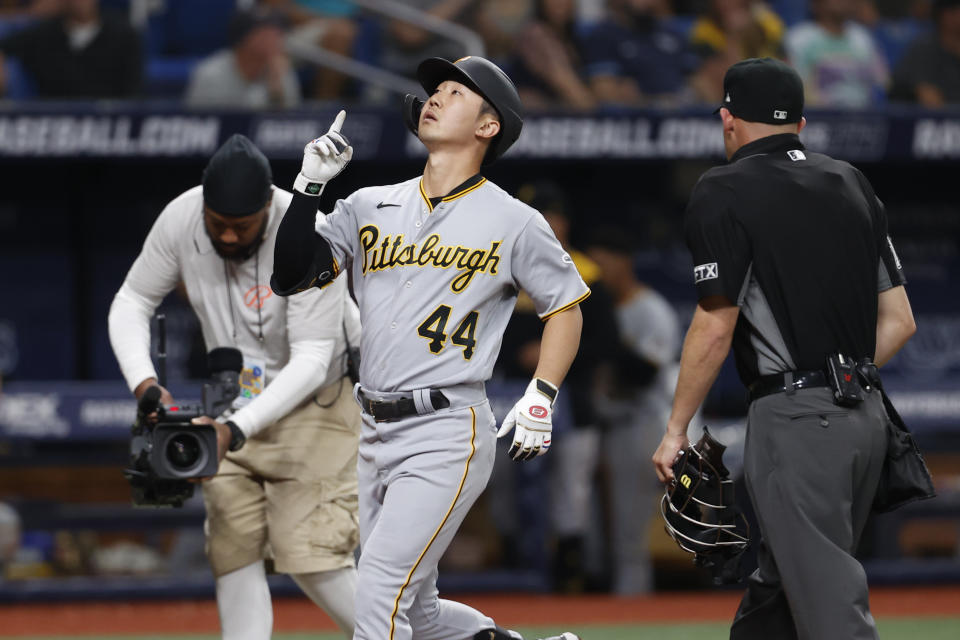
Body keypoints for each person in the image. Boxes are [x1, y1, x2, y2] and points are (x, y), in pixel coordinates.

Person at [271, 56, 584, 640]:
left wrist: (542, 392)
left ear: (488, 127)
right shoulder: (369, 203)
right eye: (434, 90)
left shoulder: (514, 220)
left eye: (454, 92)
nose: (434, 97)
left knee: (380, 587)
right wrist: (308, 186)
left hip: (446, 427)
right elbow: (289, 274)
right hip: (373, 427)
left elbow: (565, 307)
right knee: (417, 612)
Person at [652, 58, 916, 639]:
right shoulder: (850, 180)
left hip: (798, 418)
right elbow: (900, 322)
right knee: (778, 594)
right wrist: (843, 374)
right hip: (866, 415)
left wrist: (677, 429)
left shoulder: (723, 186)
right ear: (800, 121)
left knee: (828, 608)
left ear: (728, 119)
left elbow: (715, 322)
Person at [108, 135, 361, 640]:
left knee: (312, 553)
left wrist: (233, 430)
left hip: (318, 402)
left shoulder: (306, 231)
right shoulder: (182, 216)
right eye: (216, 223)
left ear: (268, 206)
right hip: (231, 401)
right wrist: (146, 385)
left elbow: (312, 358)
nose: (225, 236)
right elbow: (133, 300)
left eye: (239, 226)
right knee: (233, 548)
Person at [500, 181, 619, 593]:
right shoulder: (505, 267)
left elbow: (607, 343)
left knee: (572, 491)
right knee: (510, 488)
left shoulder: (587, 273)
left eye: (546, 215)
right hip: (512, 398)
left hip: (576, 399)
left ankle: (570, 578)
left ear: (563, 221)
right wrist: (521, 354)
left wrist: (551, 355)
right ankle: (520, 572)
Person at [586, 227, 680, 595]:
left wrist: (604, 342)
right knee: (599, 530)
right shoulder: (601, 308)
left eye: (600, 262)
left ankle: (633, 609)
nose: (595, 271)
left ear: (622, 260)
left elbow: (645, 372)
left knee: (630, 533)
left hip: (640, 425)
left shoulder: (650, 308)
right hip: (606, 425)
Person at [0, 0, 142, 99]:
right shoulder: (42, 35)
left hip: (109, 128)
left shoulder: (124, 36)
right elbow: (5, 46)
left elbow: (134, 95)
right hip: (55, 127)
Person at [580, 0, 703, 106]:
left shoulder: (671, 33)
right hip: (637, 124)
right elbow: (604, 92)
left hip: (684, 118)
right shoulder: (604, 36)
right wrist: (650, 103)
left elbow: (699, 82)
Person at [185, 8, 301, 109]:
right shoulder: (211, 74)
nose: (276, 38)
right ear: (243, 38)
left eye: (278, 32)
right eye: (266, 32)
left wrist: (275, 86)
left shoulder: (281, 69)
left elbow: (292, 124)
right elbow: (201, 123)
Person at [785, 0, 888, 107]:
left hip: (863, 117)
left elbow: (881, 83)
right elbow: (794, 89)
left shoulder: (863, 39)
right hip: (817, 118)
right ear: (815, 3)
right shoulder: (799, 39)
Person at [510, 0, 597, 111]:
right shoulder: (535, 35)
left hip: (562, 115)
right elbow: (574, 93)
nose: (560, 2)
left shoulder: (575, 39)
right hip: (534, 120)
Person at [891, 0, 960, 106]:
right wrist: (918, 90)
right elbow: (898, 87)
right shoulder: (923, 49)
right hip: (930, 119)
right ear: (946, 15)